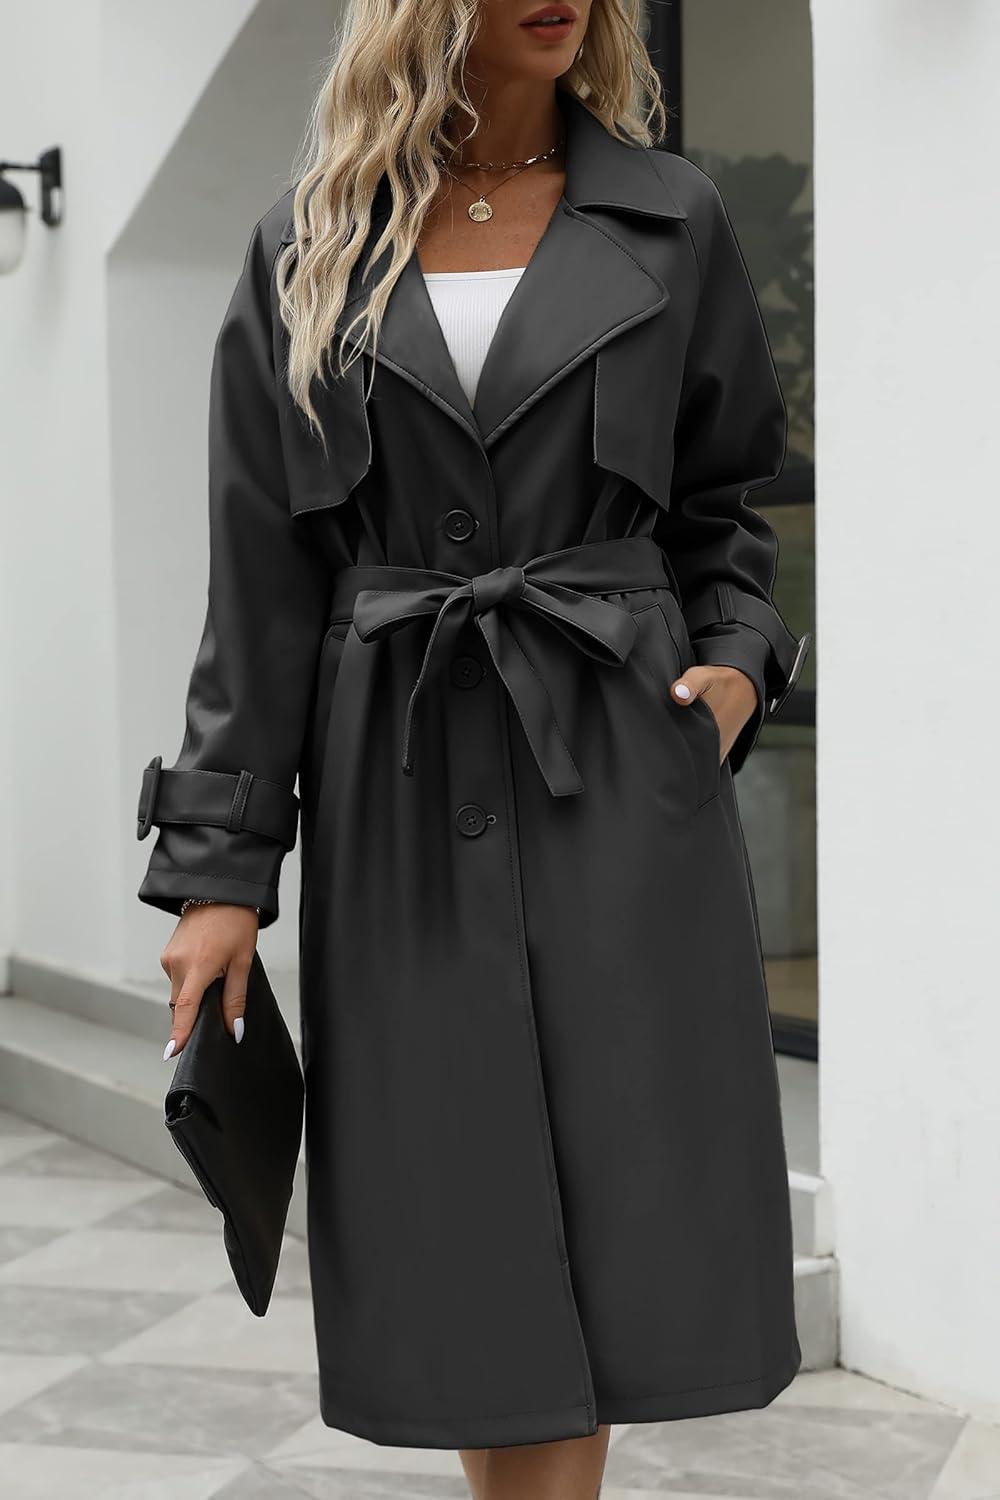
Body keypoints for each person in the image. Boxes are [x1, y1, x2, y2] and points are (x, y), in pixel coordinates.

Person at [135, 2, 811, 1496]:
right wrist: (218, 873)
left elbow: (726, 509)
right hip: (402, 787)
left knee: (617, 1210)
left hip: (616, 774)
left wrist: (734, 668)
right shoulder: (308, 247)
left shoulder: (673, 218)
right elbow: (260, 586)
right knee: (465, 1230)